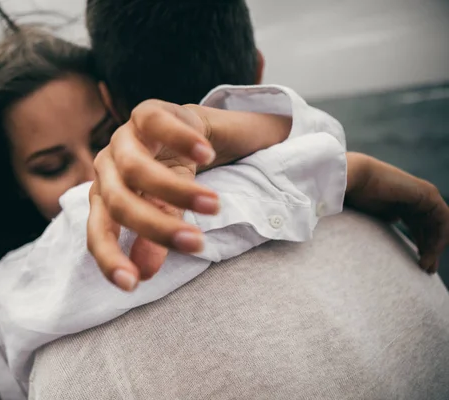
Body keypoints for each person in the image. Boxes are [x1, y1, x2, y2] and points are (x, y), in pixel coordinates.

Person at [26, 0, 449, 399]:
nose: (87, 175)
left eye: (100, 142)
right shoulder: (390, 241)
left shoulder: (47, 317)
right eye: (48, 165)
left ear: (109, 101)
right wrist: (343, 169)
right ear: (258, 70)